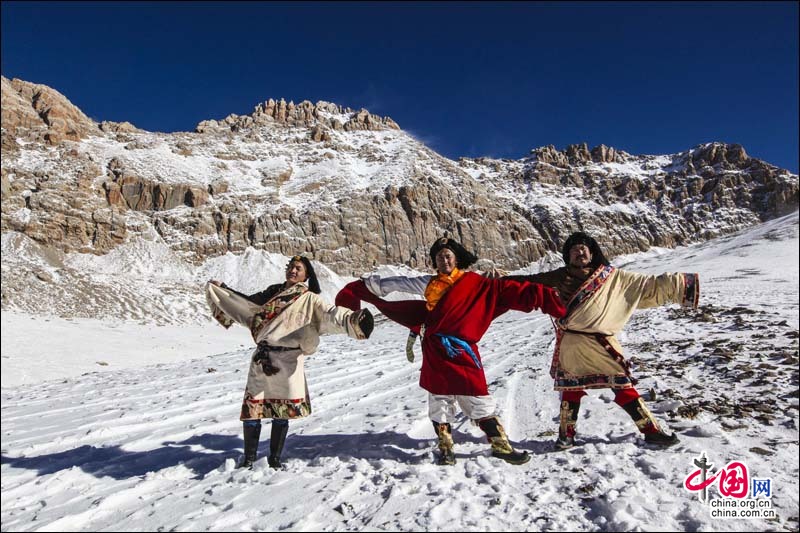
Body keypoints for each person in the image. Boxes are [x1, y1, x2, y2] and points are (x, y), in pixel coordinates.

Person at [335, 237, 566, 466]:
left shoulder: (475, 283)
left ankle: (500, 444)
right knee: (439, 395)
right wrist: (367, 286)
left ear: (457, 259)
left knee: (476, 392)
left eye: (447, 256)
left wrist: (545, 298)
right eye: (439, 257)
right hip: (435, 348)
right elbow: (398, 282)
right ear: (435, 262)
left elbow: (508, 290)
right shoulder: (428, 283)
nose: (444, 260)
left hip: (462, 349)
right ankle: (446, 448)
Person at [504, 232, 699, 450]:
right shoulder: (559, 277)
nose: (580, 252)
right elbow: (527, 282)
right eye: (574, 249)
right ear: (567, 256)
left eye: (583, 248)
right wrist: (496, 280)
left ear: (592, 252)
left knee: (622, 384)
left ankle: (651, 431)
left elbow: (646, 286)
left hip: (603, 343)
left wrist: (680, 284)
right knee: (571, 389)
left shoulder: (613, 278)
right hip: (573, 343)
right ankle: (565, 436)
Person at [206, 255, 374, 469]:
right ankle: (248, 459)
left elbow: (331, 314)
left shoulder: (310, 299)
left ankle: (274, 459)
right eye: (290, 267)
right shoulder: (273, 292)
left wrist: (353, 318)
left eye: (298, 268)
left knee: (281, 412)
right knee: (252, 410)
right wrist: (225, 290)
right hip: (263, 359)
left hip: (289, 361)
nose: (292, 271)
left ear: (306, 275)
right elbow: (249, 304)